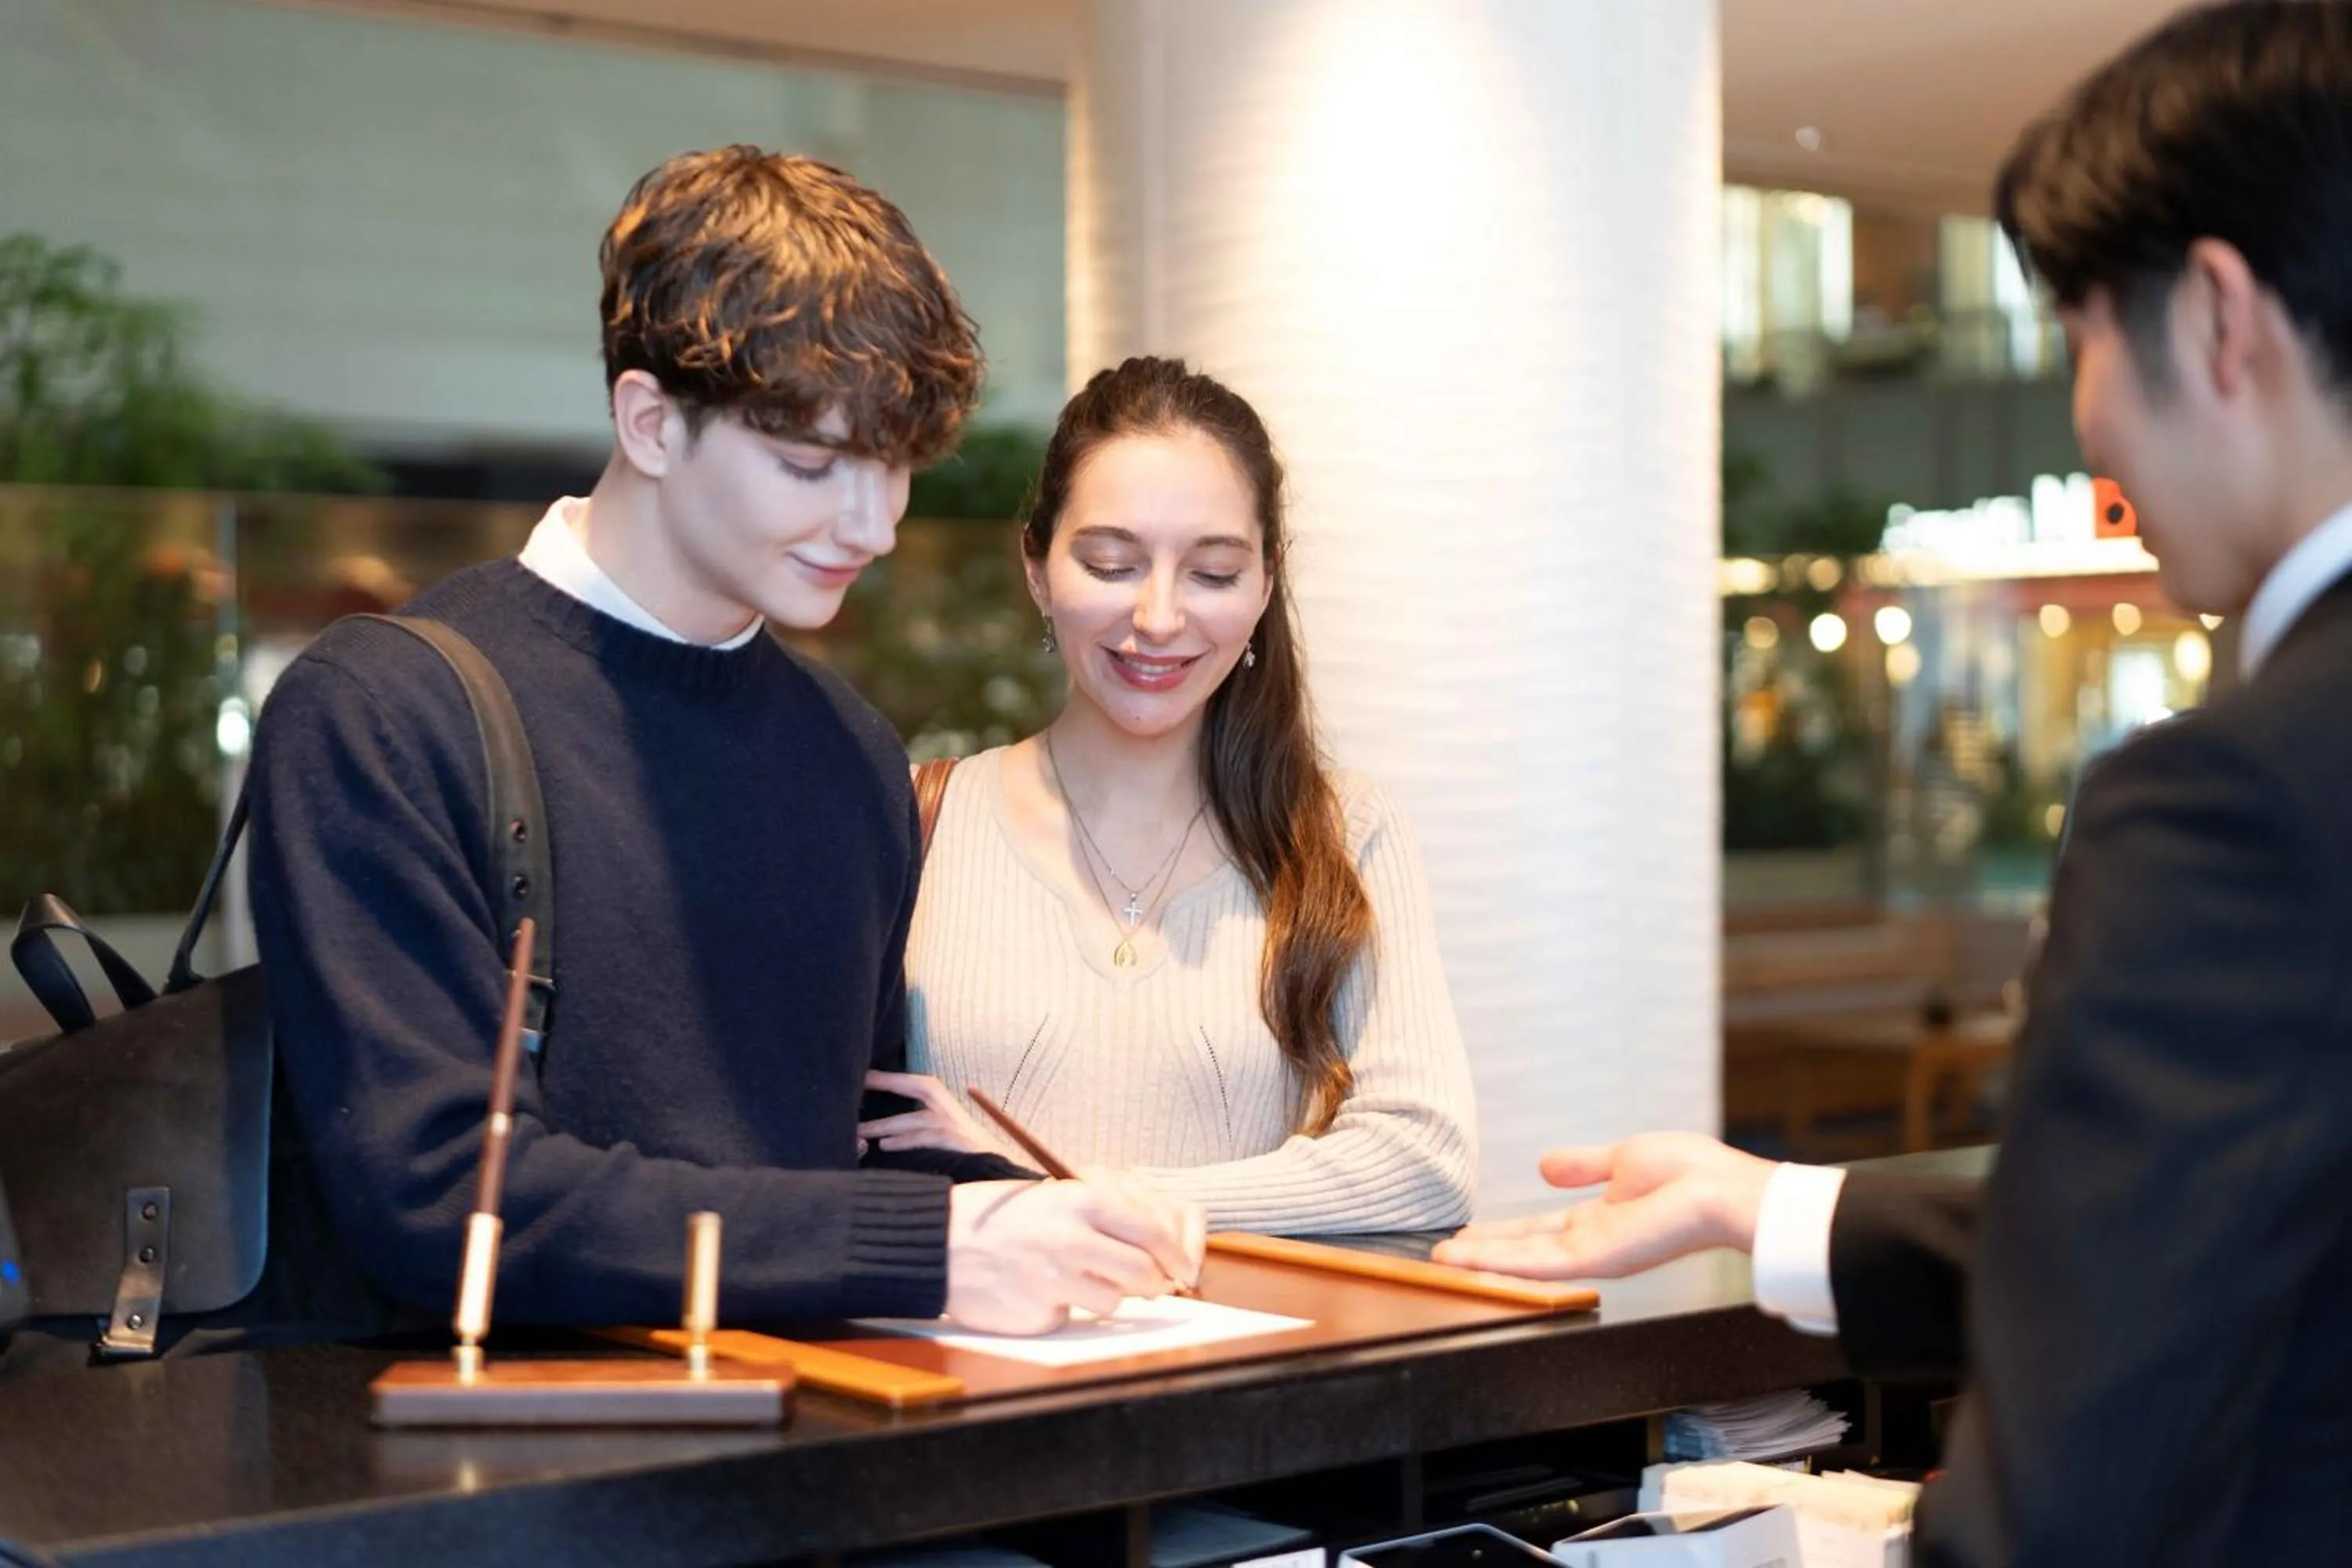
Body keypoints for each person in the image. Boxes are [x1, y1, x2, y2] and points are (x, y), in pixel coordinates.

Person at [1439, 5, 2352, 1561]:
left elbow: (2082, 1473)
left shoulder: (2234, 802)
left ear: (2216, 316)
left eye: (2080, 337)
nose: (2087, 419)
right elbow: (2233, 1229)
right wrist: (1765, 1204)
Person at [246, 147, 1201, 1342]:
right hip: (481, 1441)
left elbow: (845, 1150)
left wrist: (1044, 1218)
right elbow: (437, 1198)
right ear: (650, 422)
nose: (873, 525)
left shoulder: (850, 755)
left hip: (817, 1425)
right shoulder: (384, 711)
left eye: (897, 469)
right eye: (812, 465)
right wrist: (923, 1251)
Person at [861, 356, 1477, 1234]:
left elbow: (1426, 1162)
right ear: (1037, 567)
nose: (1157, 617)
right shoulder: (916, 820)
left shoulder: (1343, 831)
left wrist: (1059, 1191)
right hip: (981, 1325)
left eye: (1213, 573)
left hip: (1237, 1328)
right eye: (1111, 563)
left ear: (1266, 584)